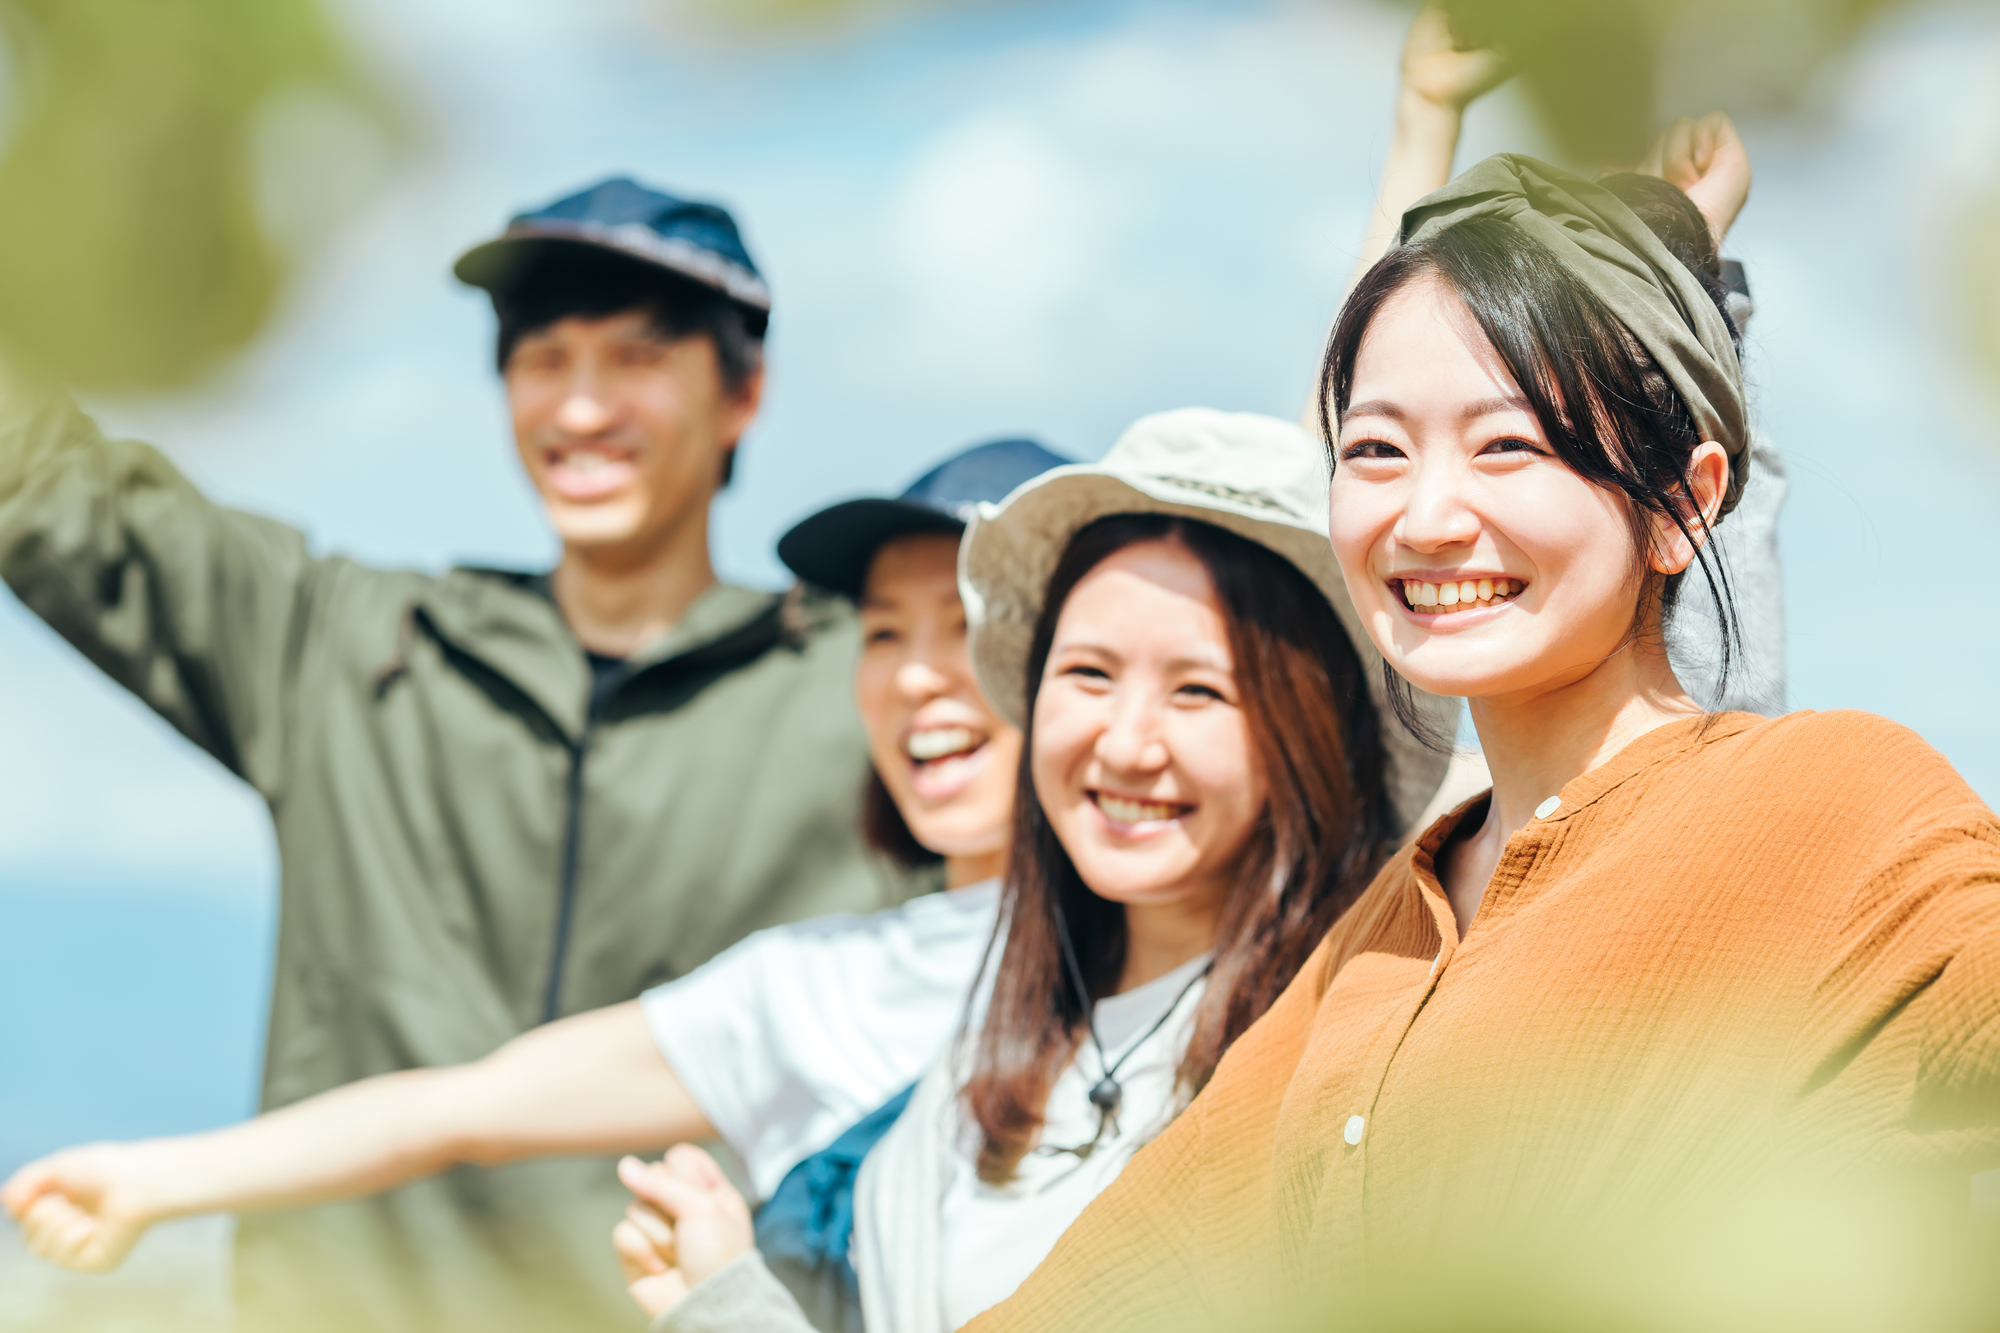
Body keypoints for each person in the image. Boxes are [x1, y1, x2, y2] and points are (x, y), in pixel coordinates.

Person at [959, 156, 2000, 1333]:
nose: (1424, 517)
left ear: (1680, 501)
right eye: (1374, 451)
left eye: (1505, 446)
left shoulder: (1833, 805)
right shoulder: (1378, 939)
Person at [0, 178, 934, 1333]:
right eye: (543, 360)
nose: (582, 408)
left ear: (743, 391)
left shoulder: (879, 696)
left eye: (637, 359)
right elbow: (41, 484)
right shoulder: (333, 647)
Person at [608, 406, 1460, 1333]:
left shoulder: (1350, 1072)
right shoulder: (994, 1039)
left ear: (1313, 732)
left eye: (1198, 689)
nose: (1126, 744)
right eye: (1089, 673)